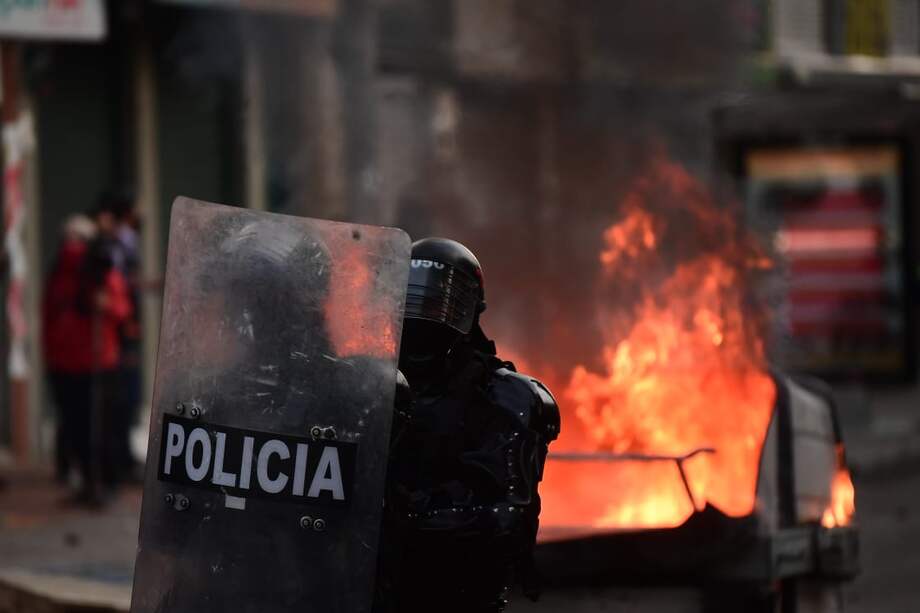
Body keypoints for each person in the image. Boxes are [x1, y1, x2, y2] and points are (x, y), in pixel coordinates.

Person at [377, 238, 560, 613]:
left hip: (450, 594)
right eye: (415, 297)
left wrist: (406, 512)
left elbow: (505, 515)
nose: (425, 313)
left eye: (439, 301)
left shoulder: (503, 398)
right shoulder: (368, 380)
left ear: (471, 310)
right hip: (359, 584)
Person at [42, 215, 132, 506]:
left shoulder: (100, 270)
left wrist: (105, 305)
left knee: (97, 426)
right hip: (73, 361)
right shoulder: (64, 273)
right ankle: (91, 482)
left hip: (96, 361)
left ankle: (102, 482)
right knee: (80, 426)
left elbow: (120, 309)